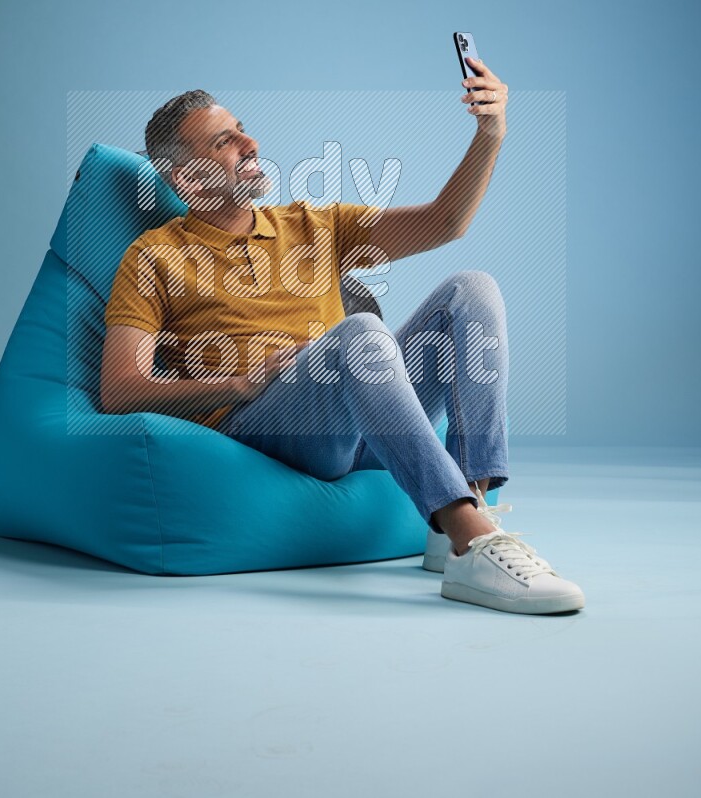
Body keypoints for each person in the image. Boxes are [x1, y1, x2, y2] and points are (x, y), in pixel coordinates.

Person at [100, 58, 585, 614]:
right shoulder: (154, 254)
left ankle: (463, 518)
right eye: (225, 142)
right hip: (266, 428)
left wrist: (490, 132)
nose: (250, 142)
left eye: (243, 128)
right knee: (361, 334)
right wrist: (239, 382)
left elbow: (446, 222)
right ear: (187, 179)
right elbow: (120, 389)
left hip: (360, 419)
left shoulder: (311, 224)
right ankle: (473, 539)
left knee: (471, 290)